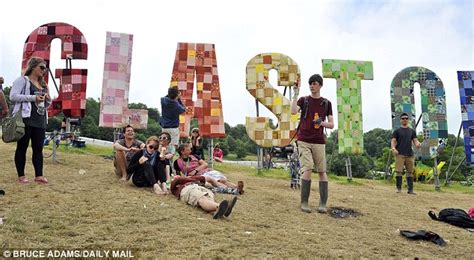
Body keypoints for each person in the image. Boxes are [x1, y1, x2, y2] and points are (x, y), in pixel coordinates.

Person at [291, 74, 334, 213]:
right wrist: (295, 94)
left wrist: (321, 123)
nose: (311, 86)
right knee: (307, 168)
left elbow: (332, 125)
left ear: (320, 85)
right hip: (303, 139)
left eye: (314, 83)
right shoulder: (304, 100)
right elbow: (293, 111)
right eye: (310, 83)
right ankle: (304, 202)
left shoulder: (326, 103)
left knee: (322, 171)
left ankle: (322, 204)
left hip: (319, 141)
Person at [10, 57, 51, 184]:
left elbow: (46, 103)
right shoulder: (22, 80)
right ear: (33, 67)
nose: (43, 71)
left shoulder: (43, 84)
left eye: (45, 68)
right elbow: (13, 96)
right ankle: (21, 176)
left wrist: (48, 98)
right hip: (25, 119)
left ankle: (39, 175)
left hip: (40, 119)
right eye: (41, 67)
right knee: (22, 146)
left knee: (38, 148)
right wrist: (34, 97)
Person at [176, 143, 244, 194]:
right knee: (214, 181)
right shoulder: (177, 162)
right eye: (188, 150)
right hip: (198, 176)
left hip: (205, 171)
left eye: (190, 149)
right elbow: (179, 176)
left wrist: (195, 170)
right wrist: (187, 172)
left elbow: (205, 164)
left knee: (222, 180)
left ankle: (236, 188)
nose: (190, 151)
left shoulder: (194, 156)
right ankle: (233, 190)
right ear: (182, 152)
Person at [170, 175, 238, 219]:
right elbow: (176, 181)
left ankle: (217, 211)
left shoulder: (194, 178)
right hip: (189, 189)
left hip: (201, 188)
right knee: (201, 198)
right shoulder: (177, 187)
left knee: (208, 199)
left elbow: (205, 178)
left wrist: (192, 178)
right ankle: (220, 206)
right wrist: (188, 178)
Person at [391, 112, 421, 194]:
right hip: (399, 153)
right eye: (403, 118)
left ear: (408, 120)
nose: (405, 120)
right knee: (399, 171)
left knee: (410, 172)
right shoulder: (396, 131)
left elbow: (415, 140)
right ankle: (398, 189)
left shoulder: (412, 131)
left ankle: (410, 190)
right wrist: (393, 148)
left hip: (409, 154)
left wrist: (418, 144)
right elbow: (393, 141)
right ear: (400, 120)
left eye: (406, 118)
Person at [160, 87, 186, 154]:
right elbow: (183, 109)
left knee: (164, 145)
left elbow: (167, 96)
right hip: (173, 129)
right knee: (173, 147)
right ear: (177, 95)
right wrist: (179, 99)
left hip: (164, 127)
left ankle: (163, 159)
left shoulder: (163, 100)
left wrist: (172, 93)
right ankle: (169, 162)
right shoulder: (176, 105)